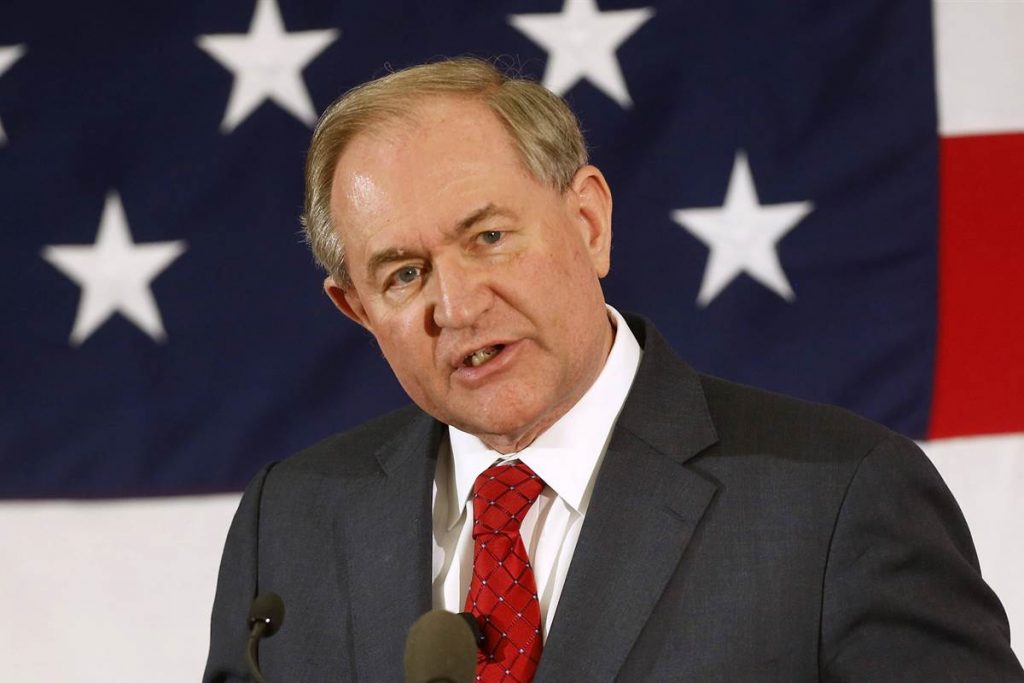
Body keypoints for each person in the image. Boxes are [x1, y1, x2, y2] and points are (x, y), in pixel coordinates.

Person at [204, 57, 1023, 682]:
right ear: (356, 308)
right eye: (404, 274)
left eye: (489, 237)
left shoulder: (838, 500)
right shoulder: (291, 522)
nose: (456, 305)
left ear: (588, 222)